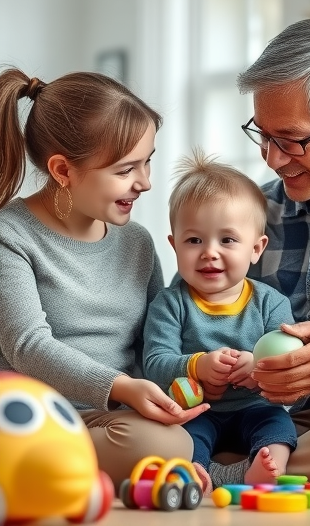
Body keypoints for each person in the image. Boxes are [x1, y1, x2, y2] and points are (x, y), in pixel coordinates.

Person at [0, 68, 206, 485]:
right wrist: (122, 387)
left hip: (113, 418)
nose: (145, 183)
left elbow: (156, 337)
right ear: (63, 170)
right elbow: (27, 345)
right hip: (35, 413)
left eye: (148, 161)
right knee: (165, 446)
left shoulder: (137, 242)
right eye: (126, 170)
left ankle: (59, 471)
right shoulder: (11, 236)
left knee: (180, 439)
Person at [204, 17, 310, 487]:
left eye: (289, 139)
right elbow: (185, 316)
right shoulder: (247, 218)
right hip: (248, 420)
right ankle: (255, 468)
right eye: (261, 135)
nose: (272, 157)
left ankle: (229, 472)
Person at [143, 151, 298, 490]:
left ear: (256, 249)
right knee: (178, 437)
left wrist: (256, 368)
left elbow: (287, 365)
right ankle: (199, 475)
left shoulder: (271, 303)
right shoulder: (169, 304)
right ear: (174, 245)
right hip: (197, 410)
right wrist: (197, 366)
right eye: (194, 240)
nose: (209, 252)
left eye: (227, 240)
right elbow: (154, 364)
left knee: (279, 428)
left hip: (255, 407)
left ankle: (265, 469)